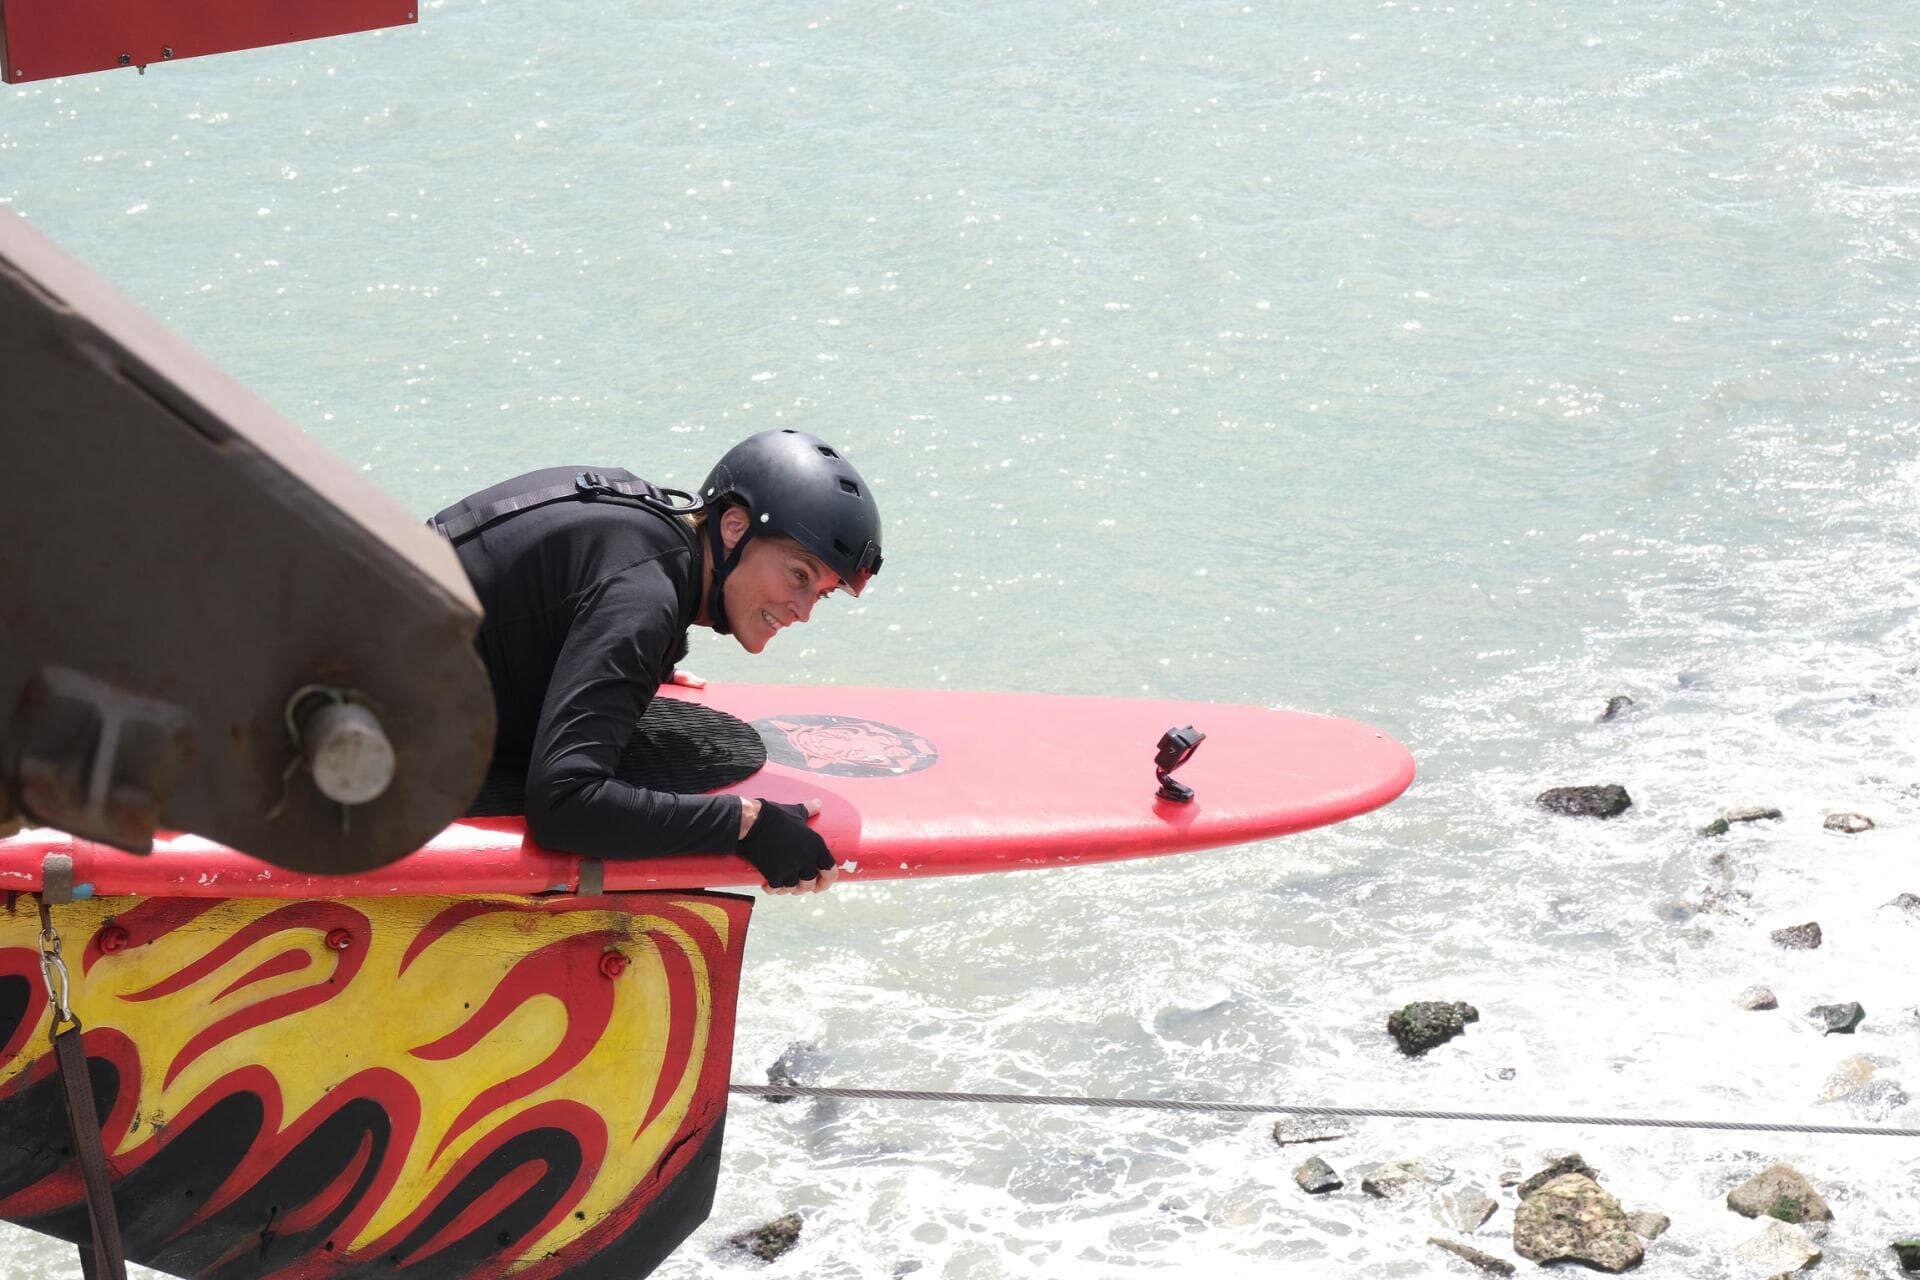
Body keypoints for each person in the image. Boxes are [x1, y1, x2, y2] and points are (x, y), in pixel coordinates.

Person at [429, 428, 882, 894]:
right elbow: (564, 805)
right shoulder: (642, 598)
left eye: (820, 595)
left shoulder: (642, 532)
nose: (803, 611)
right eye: (798, 575)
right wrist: (746, 825)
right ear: (735, 526)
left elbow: (534, 596)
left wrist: (626, 662)